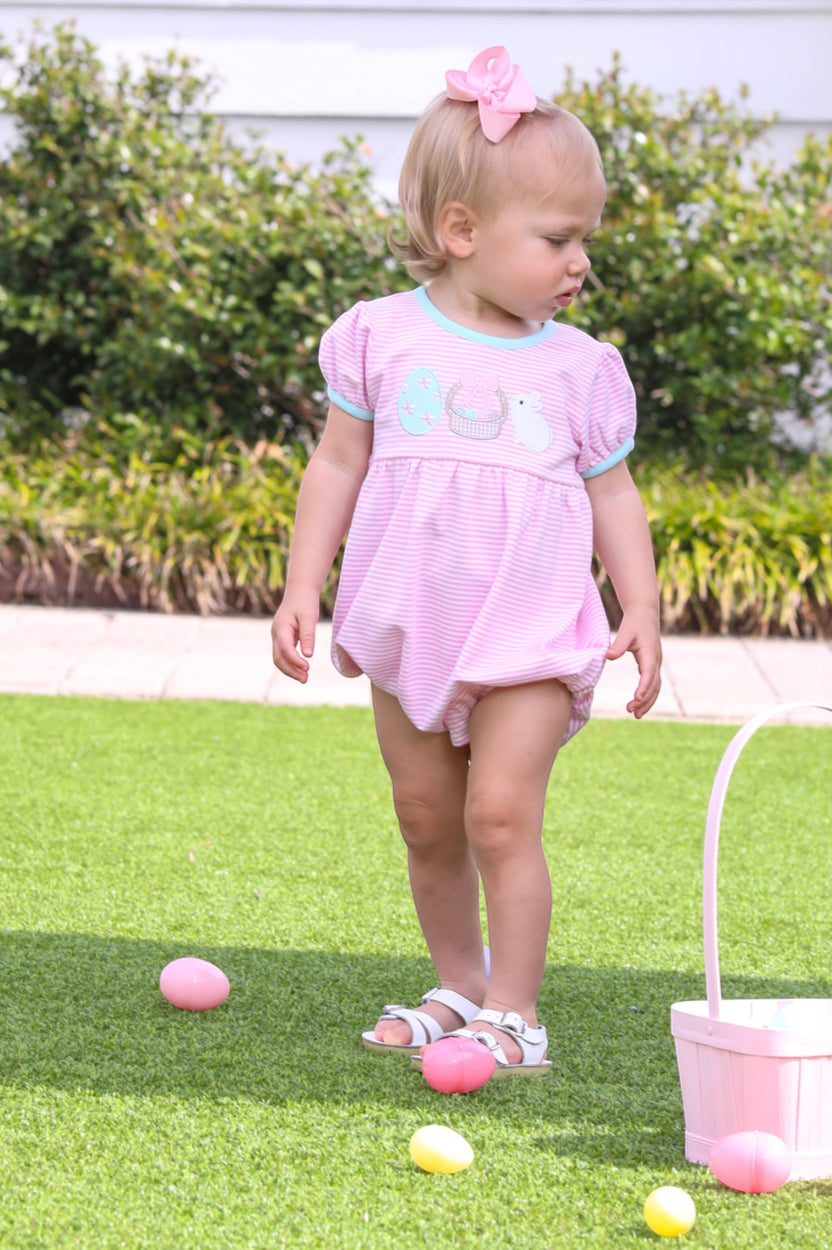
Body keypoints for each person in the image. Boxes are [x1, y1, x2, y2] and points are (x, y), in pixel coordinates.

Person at [271, 46, 662, 1075]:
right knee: (425, 814)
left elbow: (611, 491)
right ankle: (458, 980)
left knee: (498, 812)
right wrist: (302, 582)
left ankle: (515, 1011)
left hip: (530, 627)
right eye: (558, 238)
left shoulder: (579, 368)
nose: (581, 261)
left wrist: (643, 604)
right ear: (460, 231)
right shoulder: (378, 338)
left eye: (584, 238)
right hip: (410, 620)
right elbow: (336, 462)